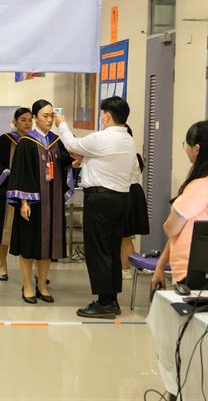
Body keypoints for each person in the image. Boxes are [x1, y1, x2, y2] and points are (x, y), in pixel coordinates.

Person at [55, 96, 137, 319]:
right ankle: (111, 299)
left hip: (101, 200)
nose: (101, 118)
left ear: (107, 115)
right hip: (121, 198)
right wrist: (87, 159)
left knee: (98, 250)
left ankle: (104, 303)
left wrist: (61, 123)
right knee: (111, 248)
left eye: (102, 114)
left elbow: (71, 144)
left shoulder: (103, 137)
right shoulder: (128, 139)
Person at [7, 100, 75, 304]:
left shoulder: (56, 141)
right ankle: (28, 285)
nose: (49, 119)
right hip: (32, 204)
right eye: (45, 116)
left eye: (52, 115)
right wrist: (23, 202)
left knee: (48, 246)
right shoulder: (26, 143)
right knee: (29, 245)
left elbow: (64, 165)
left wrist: (73, 163)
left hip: (52, 204)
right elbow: (19, 174)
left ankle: (42, 285)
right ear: (35, 118)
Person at [152, 120, 208, 288]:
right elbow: (181, 230)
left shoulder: (199, 187)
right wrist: (161, 264)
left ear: (196, 149)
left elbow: (171, 228)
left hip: (192, 272)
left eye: (186, 144)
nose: (185, 149)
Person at [0, 107, 33, 281]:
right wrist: (12, 174)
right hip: (7, 191)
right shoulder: (5, 140)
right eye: (23, 119)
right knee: (3, 231)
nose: (27, 123)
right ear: (14, 121)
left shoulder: (36, 140)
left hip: (29, 193)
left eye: (30, 119)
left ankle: (29, 272)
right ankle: (3, 265)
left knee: (29, 234)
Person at [121, 125, 149, 280]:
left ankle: (125, 268)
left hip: (130, 193)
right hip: (132, 192)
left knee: (125, 235)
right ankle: (124, 267)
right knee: (124, 235)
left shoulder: (129, 155)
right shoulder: (134, 154)